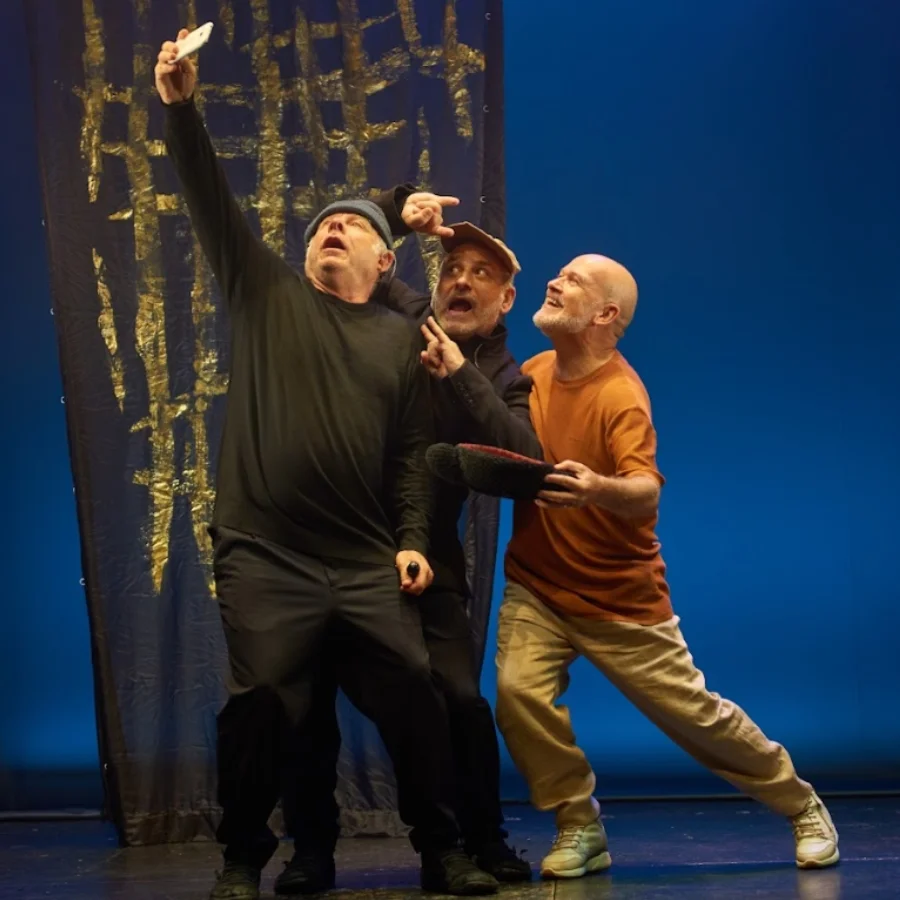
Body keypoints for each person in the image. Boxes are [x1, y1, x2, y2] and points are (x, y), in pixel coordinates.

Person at [155, 31, 498, 900]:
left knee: (417, 688)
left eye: (351, 225)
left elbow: (411, 459)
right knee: (268, 700)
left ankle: (444, 851)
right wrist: (182, 108)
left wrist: (411, 538)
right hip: (267, 556)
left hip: (363, 561)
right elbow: (208, 198)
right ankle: (243, 858)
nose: (331, 230)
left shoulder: (401, 338)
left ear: (385, 261)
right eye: (320, 228)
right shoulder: (267, 296)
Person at [493, 253, 840, 879]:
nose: (554, 282)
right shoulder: (535, 372)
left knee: (695, 718)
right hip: (537, 587)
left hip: (618, 599)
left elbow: (646, 491)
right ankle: (579, 825)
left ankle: (800, 804)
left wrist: (597, 488)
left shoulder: (620, 395)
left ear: (605, 314)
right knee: (518, 695)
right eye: (560, 273)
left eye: (572, 281)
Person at [279, 218, 541, 894]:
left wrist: (459, 376)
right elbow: (354, 245)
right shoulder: (409, 315)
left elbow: (526, 461)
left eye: (481, 274)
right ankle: (311, 850)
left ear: (506, 299)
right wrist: (399, 209)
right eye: (453, 268)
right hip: (342, 552)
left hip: (432, 563)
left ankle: (481, 839)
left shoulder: (508, 378)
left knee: (459, 698)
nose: (461, 281)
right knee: (306, 700)